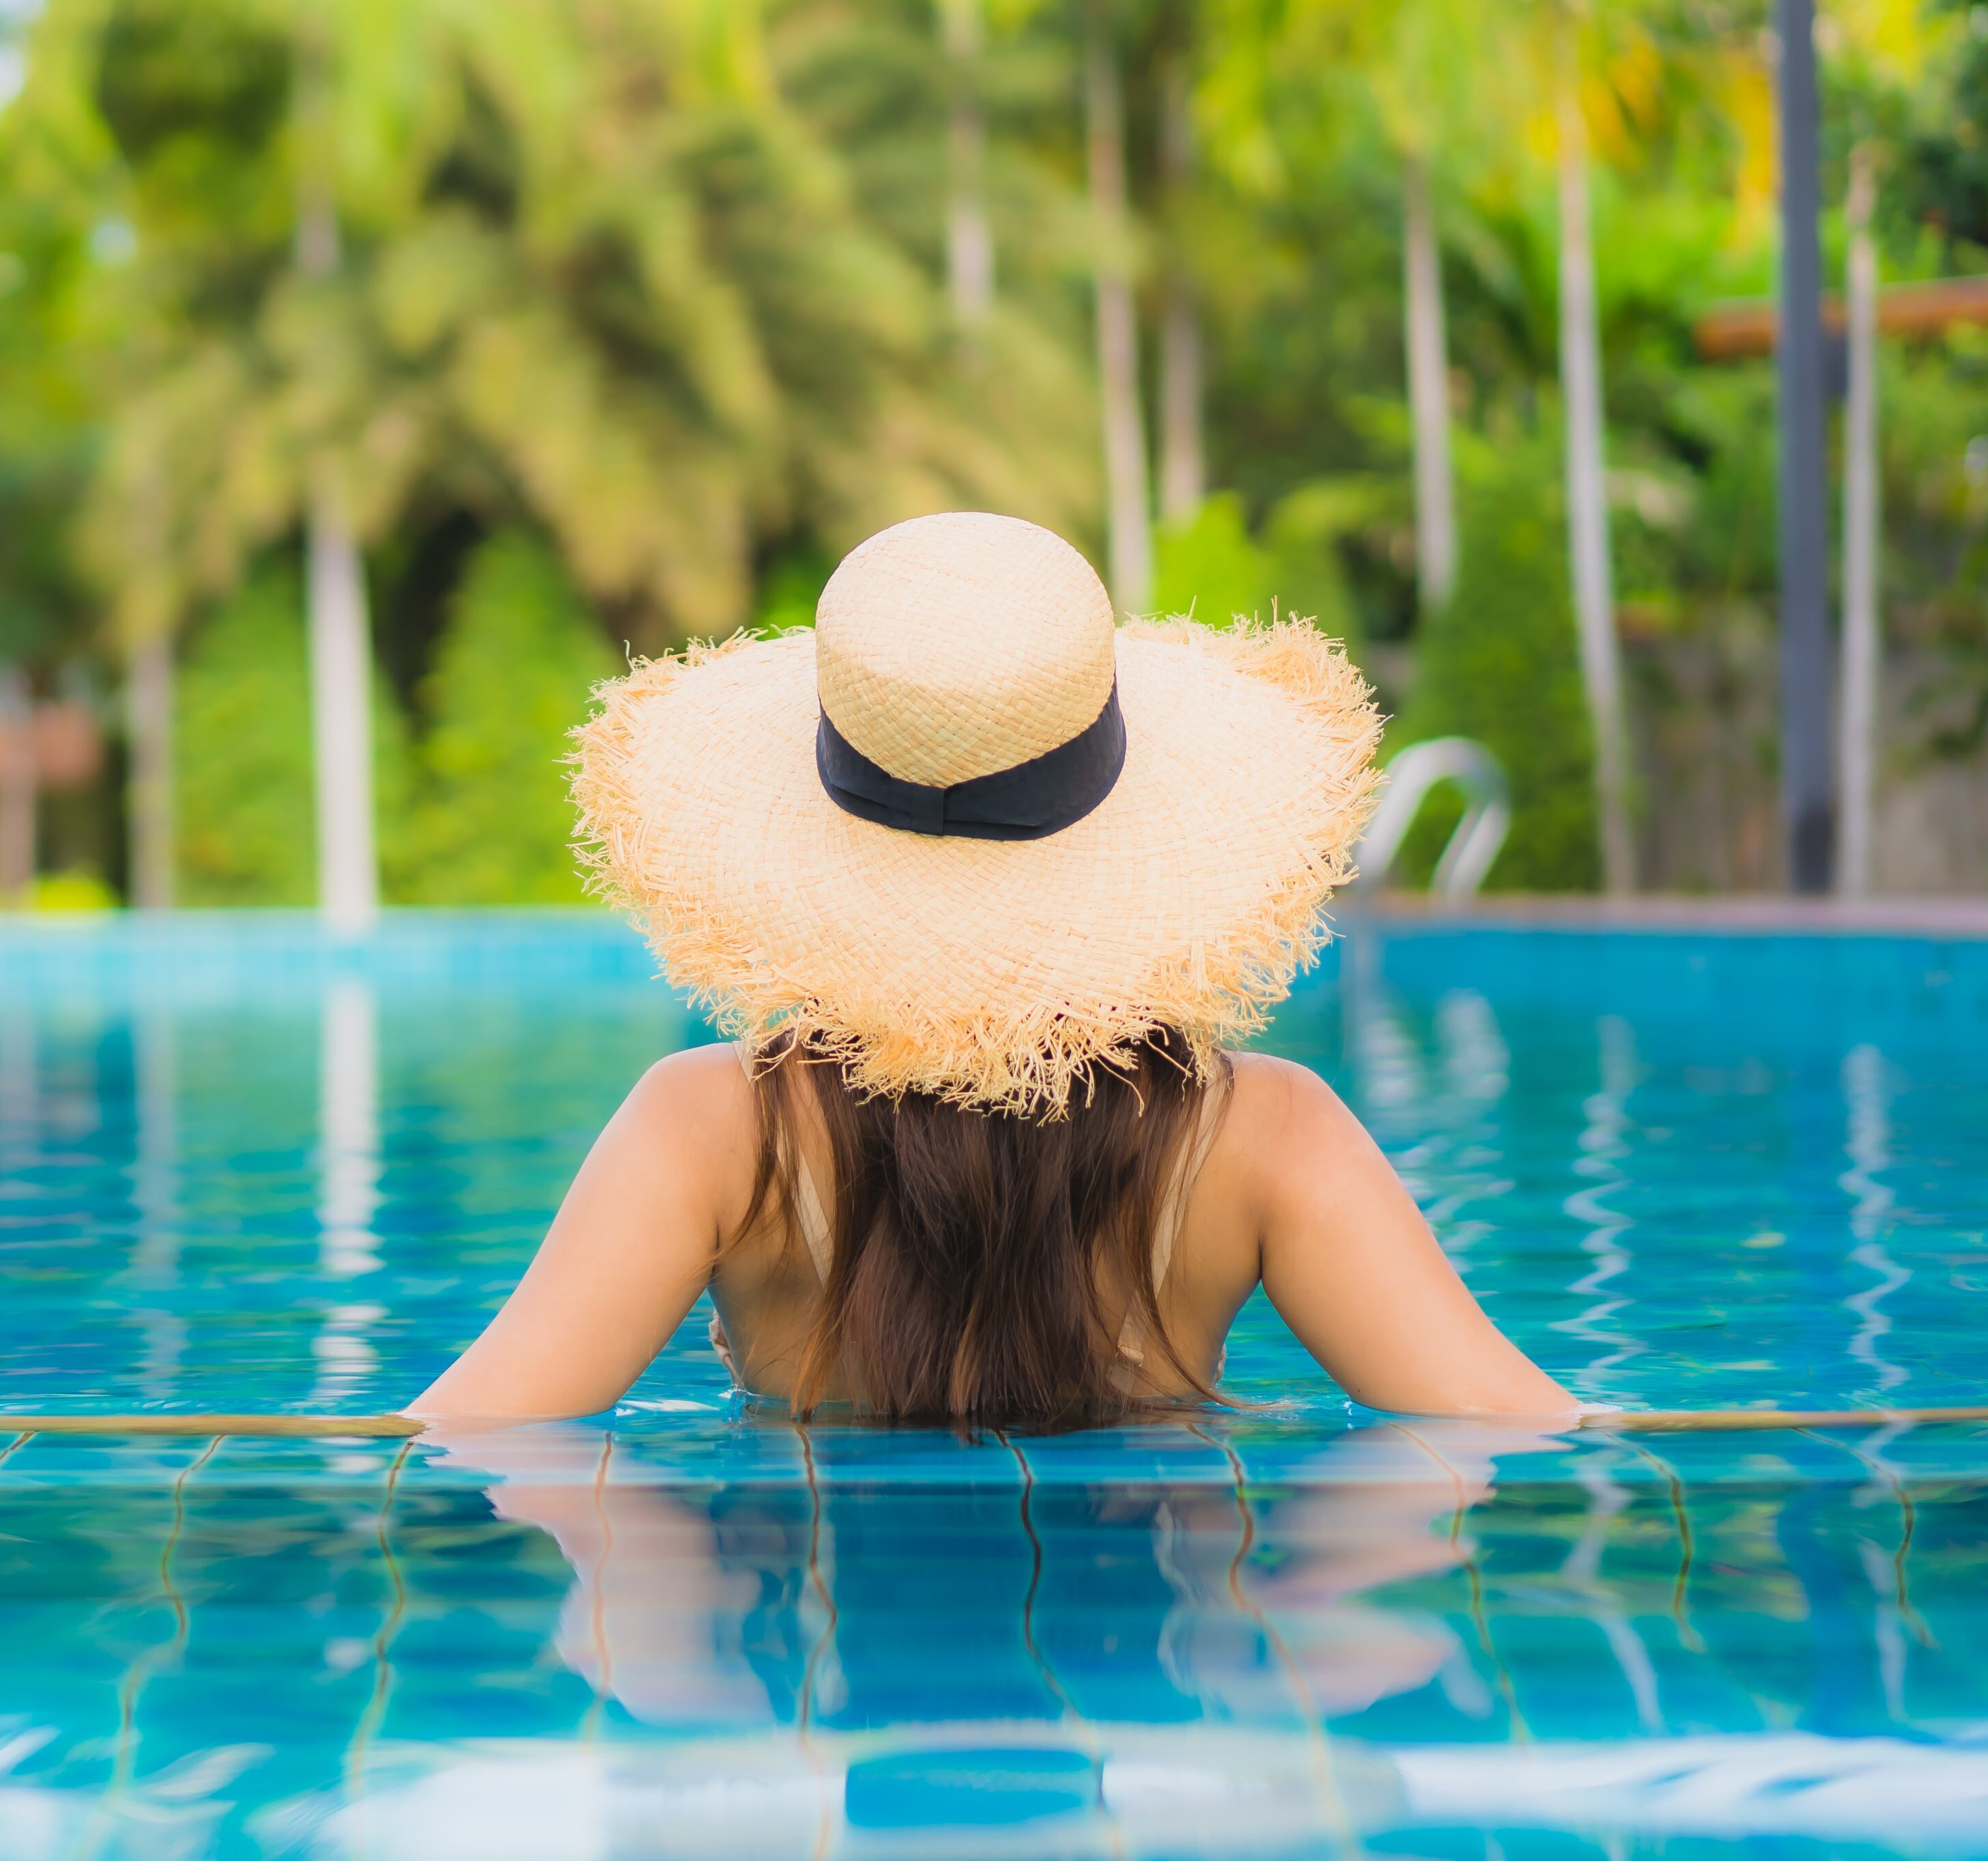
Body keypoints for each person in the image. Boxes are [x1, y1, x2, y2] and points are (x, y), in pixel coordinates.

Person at [410, 512, 1576, 1428]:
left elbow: (470, 1433)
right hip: (1145, 1658)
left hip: (819, 1659)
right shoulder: (1268, 1134)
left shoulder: (711, 1130)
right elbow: (1512, 1429)